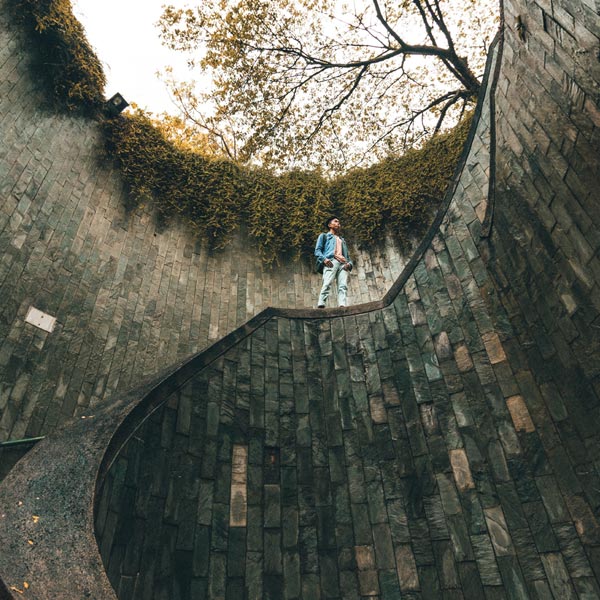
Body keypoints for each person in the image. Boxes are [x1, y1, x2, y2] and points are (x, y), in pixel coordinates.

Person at [314, 216, 353, 308]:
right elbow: (317, 251)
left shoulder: (342, 240)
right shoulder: (324, 236)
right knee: (327, 283)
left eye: (339, 222)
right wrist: (324, 259)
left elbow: (347, 256)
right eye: (335, 221)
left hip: (343, 264)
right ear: (329, 225)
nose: (338, 223)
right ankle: (321, 303)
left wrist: (349, 264)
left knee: (343, 286)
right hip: (331, 261)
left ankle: (342, 305)